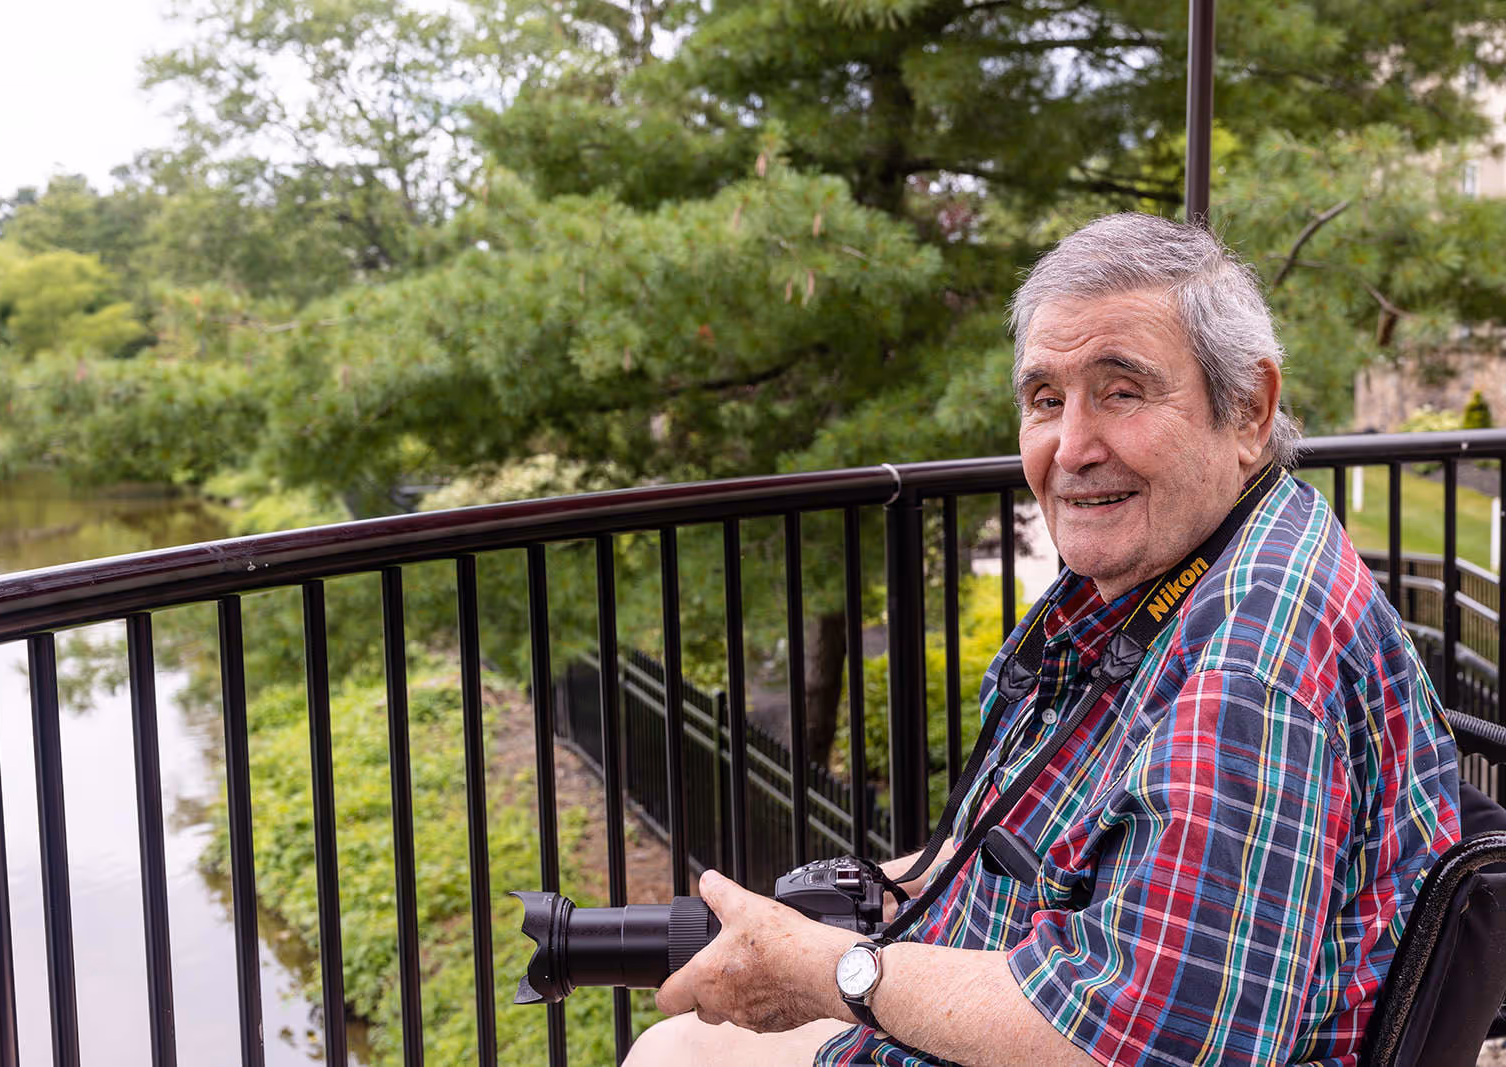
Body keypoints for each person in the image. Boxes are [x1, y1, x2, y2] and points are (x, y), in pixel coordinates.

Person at [625, 213, 1461, 1066]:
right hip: (1010, 990)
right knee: (678, 1038)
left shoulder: (1251, 659)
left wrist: (829, 972)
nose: (1072, 448)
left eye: (1122, 391)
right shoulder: (1167, 571)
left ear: (1249, 409)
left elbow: (1146, 1047)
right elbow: (1013, 845)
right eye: (1046, 400)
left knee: (672, 1056)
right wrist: (860, 904)